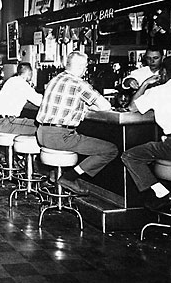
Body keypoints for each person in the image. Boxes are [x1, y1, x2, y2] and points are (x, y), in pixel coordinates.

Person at [36, 51, 118, 194]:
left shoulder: (55, 79)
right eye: (86, 67)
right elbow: (106, 106)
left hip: (42, 133)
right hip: (60, 137)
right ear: (82, 67)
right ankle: (69, 177)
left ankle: (55, 174)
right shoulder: (79, 84)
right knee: (110, 150)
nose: (86, 70)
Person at [121, 55, 171, 210]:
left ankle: (163, 194)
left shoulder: (159, 91)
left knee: (130, 156)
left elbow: (132, 108)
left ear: (164, 72)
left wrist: (145, 84)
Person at [0, 62, 42, 135]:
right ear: (29, 73)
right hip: (5, 123)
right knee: (41, 128)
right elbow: (39, 101)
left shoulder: (11, 80)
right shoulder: (22, 84)